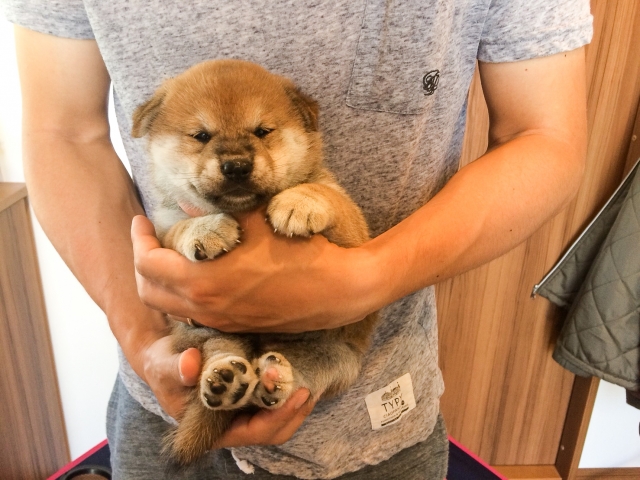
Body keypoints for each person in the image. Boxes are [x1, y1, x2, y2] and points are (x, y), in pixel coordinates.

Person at [3, 0, 592, 478]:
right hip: (167, 389)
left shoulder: (311, 183)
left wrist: (365, 280)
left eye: (263, 133)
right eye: (201, 138)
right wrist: (144, 336)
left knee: (320, 362)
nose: (235, 159)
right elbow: (63, 133)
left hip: (376, 412)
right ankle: (224, 366)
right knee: (212, 353)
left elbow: (544, 134)